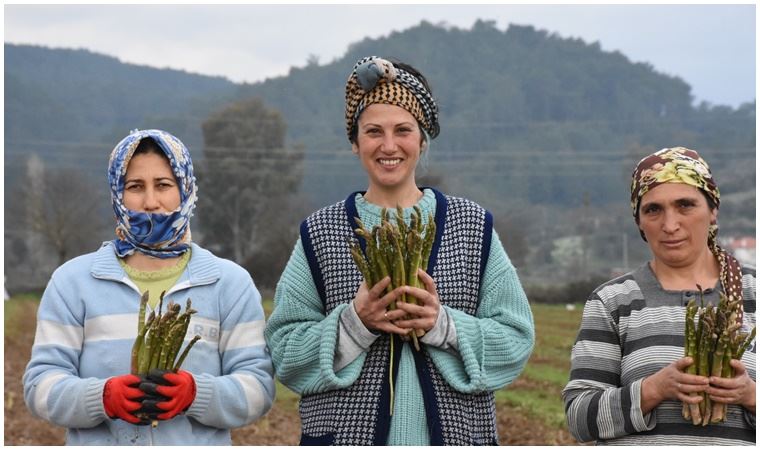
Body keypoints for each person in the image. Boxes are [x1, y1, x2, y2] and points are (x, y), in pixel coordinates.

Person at [264, 56, 535, 445]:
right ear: (355, 143)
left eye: (403, 130)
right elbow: (284, 349)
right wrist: (356, 322)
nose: (388, 145)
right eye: (373, 131)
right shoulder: (321, 233)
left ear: (422, 140)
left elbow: (516, 339)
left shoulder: (472, 226)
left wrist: (442, 325)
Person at [23, 129, 275, 445]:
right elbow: (39, 388)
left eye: (164, 185)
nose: (150, 202)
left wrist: (196, 393)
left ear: (185, 190)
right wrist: (101, 397)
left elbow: (259, 389)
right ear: (117, 193)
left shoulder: (230, 284)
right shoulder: (72, 282)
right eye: (135, 187)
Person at [562, 147, 756, 445]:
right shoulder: (612, 301)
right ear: (639, 221)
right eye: (653, 210)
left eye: (685, 205)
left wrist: (750, 396)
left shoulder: (753, 292)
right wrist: (653, 389)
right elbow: (579, 419)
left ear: (713, 209)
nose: (670, 225)